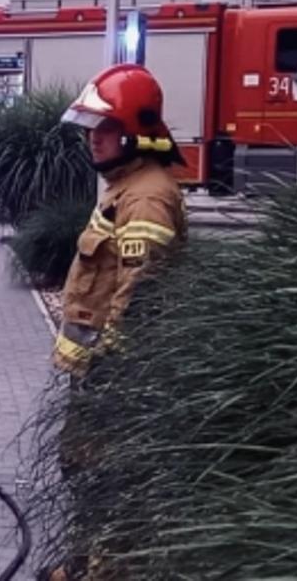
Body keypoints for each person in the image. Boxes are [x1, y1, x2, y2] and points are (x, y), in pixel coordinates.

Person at [51, 64, 188, 376]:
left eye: (106, 129)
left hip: (111, 371)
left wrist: (112, 361)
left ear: (133, 133)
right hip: (95, 368)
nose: (93, 139)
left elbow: (140, 288)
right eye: (89, 129)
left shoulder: (144, 200)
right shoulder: (126, 187)